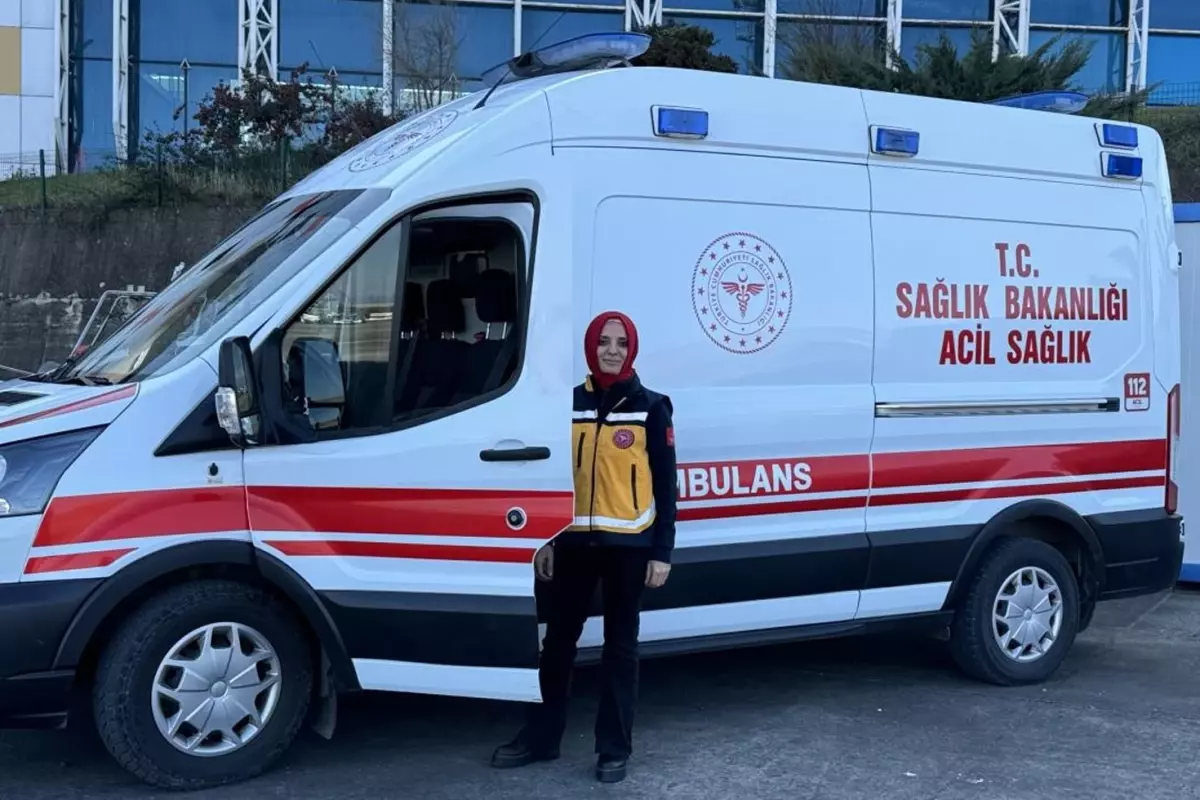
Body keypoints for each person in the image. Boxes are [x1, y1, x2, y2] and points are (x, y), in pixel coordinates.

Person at [491, 310, 677, 784]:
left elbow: (666, 486)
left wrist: (662, 552)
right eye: (603, 342)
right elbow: (549, 477)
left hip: (629, 546)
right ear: (590, 347)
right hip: (572, 543)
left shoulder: (652, 407)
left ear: (631, 350)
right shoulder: (567, 404)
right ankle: (541, 738)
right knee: (556, 645)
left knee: (620, 649)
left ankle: (613, 749)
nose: (611, 350)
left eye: (620, 343)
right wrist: (544, 538)